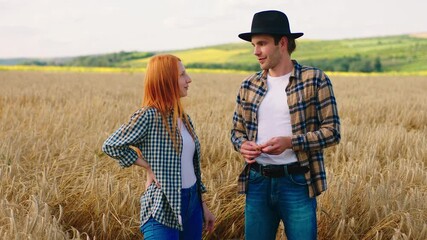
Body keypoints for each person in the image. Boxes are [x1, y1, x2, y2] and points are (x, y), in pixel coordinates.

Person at [230, 10, 341, 240]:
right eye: (253, 45)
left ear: (282, 42)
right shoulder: (248, 84)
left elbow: (332, 132)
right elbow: (236, 131)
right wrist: (243, 145)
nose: (256, 52)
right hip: (257, 181)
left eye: (262, 44)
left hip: (297, 181)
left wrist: (291, 143)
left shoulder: (315, 79)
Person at [102, 54, 215, 240]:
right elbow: (111, 145)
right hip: (162, 206)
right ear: (166, 80)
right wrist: (147, 165)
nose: (189, 79)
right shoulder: (149, 116)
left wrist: (203, 205)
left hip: (192, 206)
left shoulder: (184, 119)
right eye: (182, 75)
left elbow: (192, 167)